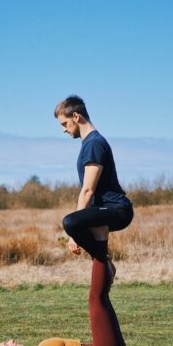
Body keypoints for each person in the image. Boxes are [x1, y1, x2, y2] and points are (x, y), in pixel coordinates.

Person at [0, 241, 129, 346]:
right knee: (96, 299)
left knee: (101, 297)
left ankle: (100, 255)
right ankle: (99, 249)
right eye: (6, 344)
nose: (11, 340)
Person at [54, 95, 134, 283]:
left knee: (70, 222)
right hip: (104, 209)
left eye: (64, 124)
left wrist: (75, 233)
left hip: (117, 209)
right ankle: (104, 263)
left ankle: (104, 263)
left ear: (76, 117)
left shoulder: (94, 144)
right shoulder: (89, 143)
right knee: (74, 224)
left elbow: (88, 190)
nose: (63, 130)